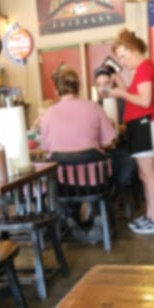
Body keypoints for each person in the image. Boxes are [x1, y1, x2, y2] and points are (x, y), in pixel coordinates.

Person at [39, 65, 116, 235]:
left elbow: (45, 149)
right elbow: (109, 141)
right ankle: (97, 217)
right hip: (95, 183)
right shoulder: (94, 108)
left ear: (57, 90)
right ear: (78, 87)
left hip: (63, 185)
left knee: (56, 176)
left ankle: (70, 219)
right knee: (115, 165)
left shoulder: (47, 114)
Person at [109, 29, 154, 234]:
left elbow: (145, 100)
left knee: (148, 175)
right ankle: (150, 215)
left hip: (145, 125)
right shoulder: (142, 69)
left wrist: (121, 92)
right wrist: (124, 86)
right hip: (141, 125)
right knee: (144, 174)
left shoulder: (144, 68)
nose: (122, 61)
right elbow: (138, 95)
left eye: (123, 56)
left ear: (133, 50)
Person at [94, 65, 138, 211]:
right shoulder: (95, 107)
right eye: (99, 85)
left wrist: (123, 126)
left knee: (120, 163)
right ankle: (103, 201)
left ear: (112, 83)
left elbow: (131, 124)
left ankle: (113, 196)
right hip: (101, 151)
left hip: (123, 146)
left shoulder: (123, 102)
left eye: (106, 84)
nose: (103, 88)